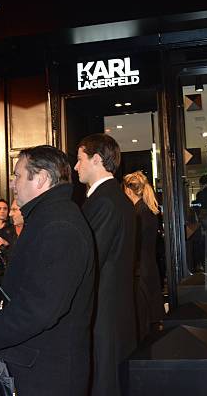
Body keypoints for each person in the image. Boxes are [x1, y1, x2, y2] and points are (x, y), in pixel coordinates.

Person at [0, 145, 95, 396]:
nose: (13, 184)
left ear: (41, 178)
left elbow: (39, 310)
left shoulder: (59, 226)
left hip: (42, 375)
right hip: (32, 366)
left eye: (17, 175)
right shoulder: (48, 218)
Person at [74, 133, 137, 396]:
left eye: (79, 159)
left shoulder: (104, 202)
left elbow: (88, 260)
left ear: (96, 159)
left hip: (103, 313)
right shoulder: (115, 199)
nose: (76, 166)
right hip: (114, 310)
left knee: (104, 382)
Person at [123, 171, 165, 341]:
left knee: (145, 322)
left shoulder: (138, 213)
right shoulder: (147, 210)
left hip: (141, 270)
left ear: (128, 190)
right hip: (149, 267)